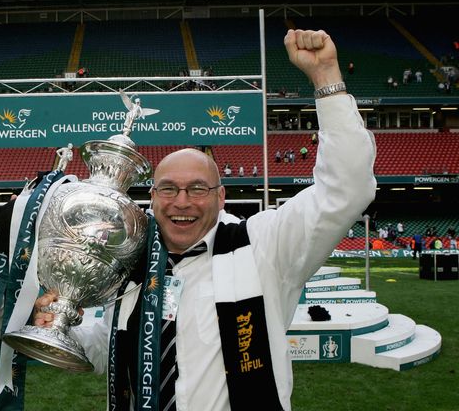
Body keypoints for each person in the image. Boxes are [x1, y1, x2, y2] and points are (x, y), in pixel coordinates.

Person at [32, 29, 377, 410]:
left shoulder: (264, 245)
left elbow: (347, 189)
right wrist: (64, 326)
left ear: (221, 195)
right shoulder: (131, 258)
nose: (182, 202)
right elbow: (107, 351)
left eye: (198, 188)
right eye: (168, 189)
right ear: (152, 197)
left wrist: (326, 76)